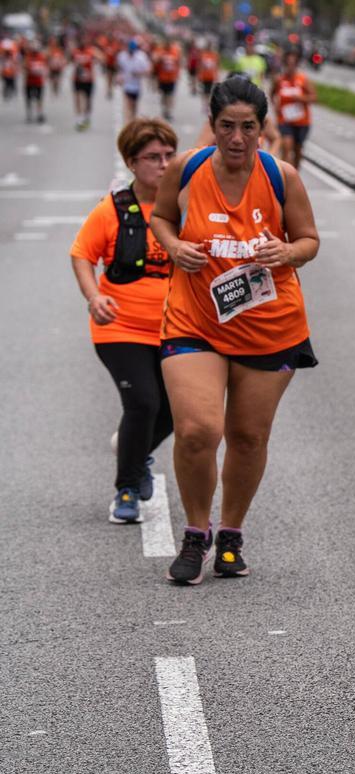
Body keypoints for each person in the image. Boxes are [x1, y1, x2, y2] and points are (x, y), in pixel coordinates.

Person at [149, 76, 320, 585]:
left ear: (262, 128)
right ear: (213, 125)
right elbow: (160, 217)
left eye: (249, 127)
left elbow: (310, 240)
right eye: (228, 126)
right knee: (200, 430)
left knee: (247, 436)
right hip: (194, 319)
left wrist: (285, 252)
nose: (238, 138)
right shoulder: (188, 168)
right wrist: (173, 246)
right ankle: (195, 534)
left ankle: (231, 534)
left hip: (270, 325)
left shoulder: (280, 176)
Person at [69, 118, 178, 523]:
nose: (164, 164)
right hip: (121, 327)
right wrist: (94, 296)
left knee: (179, 410)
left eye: (169, 155)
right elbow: (82, 254)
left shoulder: (184, 205)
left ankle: (136, 451)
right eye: (153, 157)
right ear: (132, 162)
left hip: (177, 327)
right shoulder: (113, 210)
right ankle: (127, 491)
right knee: (144, 402)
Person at [272, 49, 315, 170]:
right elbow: (273, 94)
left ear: (296, 65)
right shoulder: (279, 80)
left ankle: (295, 174)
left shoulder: (303, 80)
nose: (290, 67)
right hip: (285, 120)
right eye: (288, 64)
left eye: (293, 64)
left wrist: (301, 98)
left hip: (302, 121)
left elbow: (313, 97)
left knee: (298, 150)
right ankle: (285, 176)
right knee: (286, 146)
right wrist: (276, 106)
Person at [117, 38, 151, 121]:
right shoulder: (122, 56)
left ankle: (132, 120)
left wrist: (138, 73)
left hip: (136, 86)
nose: (131, 52)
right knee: (128, 105)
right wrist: (119, 77)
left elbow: (148, 70)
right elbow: (120, 68)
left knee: (134, 106)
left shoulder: (141, 57)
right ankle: (128, 122)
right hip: (126, 85)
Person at [72, 38, 97, 130]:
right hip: (77, 79)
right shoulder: (75, 52)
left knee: (88, 100)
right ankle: (79, 119)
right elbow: (70, 61)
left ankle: (87, 117)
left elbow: (100, 58)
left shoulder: (91, 51)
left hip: (88, 79)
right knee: (77, 98)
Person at [154, 40, 181, 121]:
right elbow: (155, 62)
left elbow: (178, 63)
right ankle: (164, 109)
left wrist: (177, 74)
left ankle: (168, 111)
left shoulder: (175, 52)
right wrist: (159, 58)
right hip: (162, 78)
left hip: (171, 78)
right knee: (163, 95)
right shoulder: (160, 52)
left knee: (170, 95)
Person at [23, 41, 47, 124]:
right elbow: (24, 67)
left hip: (38, 81)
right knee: (29, 98)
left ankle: (39, 113)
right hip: (29, 81)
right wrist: (29, 69)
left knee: (39, 98)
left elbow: (44, 68)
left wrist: (41, 70)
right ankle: (29, 114)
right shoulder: (28, 57)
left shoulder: (41, 57)